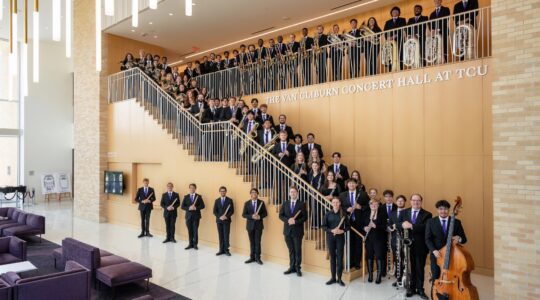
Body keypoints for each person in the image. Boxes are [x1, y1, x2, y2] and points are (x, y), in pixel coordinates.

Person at [425, 200, 467, 292]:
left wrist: (459, 238)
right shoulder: (431, 222)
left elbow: (464, 239)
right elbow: (428, 239)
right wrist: (434, 250)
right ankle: (434, 295)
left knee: (452, 277)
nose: (443, 211)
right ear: (437, 210)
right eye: (440, 209)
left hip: (452, 256)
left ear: (449, 210)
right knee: (435, 276)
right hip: (437, 255)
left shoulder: (456, 222)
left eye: (445, 209)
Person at [399, 193, 432, 299]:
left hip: (420, 246)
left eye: (418, 200)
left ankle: (420, 289)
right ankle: (411, 288)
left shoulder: (427, 214)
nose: (415, 202)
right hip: (407, 246)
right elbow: (398, 223)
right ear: (410, 201)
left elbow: (425, 227)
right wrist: (401, 225)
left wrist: (412, 226)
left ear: (421, 202)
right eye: (413, 200)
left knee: (419, 268)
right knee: (410, 268)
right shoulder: (404, 212)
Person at [339, 179, 369, 269]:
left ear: (356, 184)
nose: (351, 184)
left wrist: (360, 207)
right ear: (347, 184)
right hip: (348, 222)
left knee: (358, 243)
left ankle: (357, 263)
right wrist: (346, 209)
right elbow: (340, 207)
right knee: (349, 243)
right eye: (349, 183)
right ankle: (350, 262)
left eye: (353, 183)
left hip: (359, 222)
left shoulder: (363, 194)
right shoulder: (342, 195)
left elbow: (368, 206)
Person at [279, 186, 308, 276]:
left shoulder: (301, 204)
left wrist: (295, 221)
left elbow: (305, 217)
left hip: (297, 231)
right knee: (291, 250)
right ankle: (291, 267)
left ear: (297, 193)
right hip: (287, 231)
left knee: (297, 250)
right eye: (291, 192)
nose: (293, 193)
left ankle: (297, 268)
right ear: (289, 193)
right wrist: (288, 220)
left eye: (294, 192)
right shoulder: (285, 203)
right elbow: (281, 215)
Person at [322, 197, 350, 286]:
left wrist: (342, 231)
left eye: (337, 202)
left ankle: (339, 279)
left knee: (339, 258)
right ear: (332, 203)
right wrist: (331, 230)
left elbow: (348, 227)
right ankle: (333, 278)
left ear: (340, 203)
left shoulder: (344, 214)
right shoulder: (327, 214)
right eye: (334, 202)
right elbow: (323, 226)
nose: (335, 204)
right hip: (330, 238)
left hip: (340, 238)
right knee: (332, 258)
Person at [363, 199, 387, 284]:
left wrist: (375, 226)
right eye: (372, 204)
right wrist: (364, 228)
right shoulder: (366, 213)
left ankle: (378, 276)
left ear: (378, 205)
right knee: (369, 256)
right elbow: (362, 225)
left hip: (379, 239)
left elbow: (385, 227)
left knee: (379, 256)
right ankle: (370, 275)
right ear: (369, 205)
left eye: (375, 204)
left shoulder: (382, 214)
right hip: (369, 239)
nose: (373, 206)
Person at [242, 188, 268, 265]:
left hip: (258, 226)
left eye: (255, 192)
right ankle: (252, 257)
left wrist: (259, 216)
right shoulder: (246, 203)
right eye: (252, 192)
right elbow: (243, 214)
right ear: (250, 194)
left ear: (257, 194)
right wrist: (251, 216)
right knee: (251, 242)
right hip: (250, 226)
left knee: (257, 242)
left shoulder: (261, 203)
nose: (254, 193)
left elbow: (265, 214)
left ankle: (258, 258)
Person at [389, 194, 407, 287]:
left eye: (402, 201)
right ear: (396, 202)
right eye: (398, 201)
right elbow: (389, 225)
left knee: (405, 259)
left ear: (405, 202)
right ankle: (398, 278)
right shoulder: (392, 213)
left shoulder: (408, 212)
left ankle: (406, 279)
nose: (400, 202)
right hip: (395, 240)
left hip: (405, 240)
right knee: (397, 259)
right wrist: (392, 227)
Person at [181, 183, 206, 250]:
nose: (192, 189)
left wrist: (195, 208)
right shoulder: (186, 197)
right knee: (190, 230)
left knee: (195, 231)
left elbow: (203, 206)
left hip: (196, 216)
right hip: (188, 217)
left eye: (193, 188)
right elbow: (182, 206)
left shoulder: (199, 196)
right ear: (189, 188)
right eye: (190, 188)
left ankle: (195, 244)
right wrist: (189, 208)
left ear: (195, 189)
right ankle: (190, 244)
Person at [213, 186, 235, 256]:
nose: (223, 192)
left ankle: (226, 250)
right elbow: (214, 211)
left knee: (226, 235)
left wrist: (226, 216)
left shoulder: (230, 200)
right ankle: (221, 250)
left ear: (226, 192)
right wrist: (220, 217)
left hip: (226, 220)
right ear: (219, 192)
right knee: (220, 235)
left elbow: (232, 211)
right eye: (221, 191)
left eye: (224, 191)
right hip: (219, 221)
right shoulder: (217, 200)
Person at [383, 6, 407, 71]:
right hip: (390, 41)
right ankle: (391, 70)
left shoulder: (402, 20)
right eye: (393, 12)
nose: (395, 13)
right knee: (390, 55)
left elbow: (403, 29)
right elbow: (385, 31)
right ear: (391, 13)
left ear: (399, 13)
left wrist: (396, 35)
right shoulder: (388, 22)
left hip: (399, 40)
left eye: (396, 11)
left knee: (400, 54)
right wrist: (388, 38)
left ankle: (401, 69)